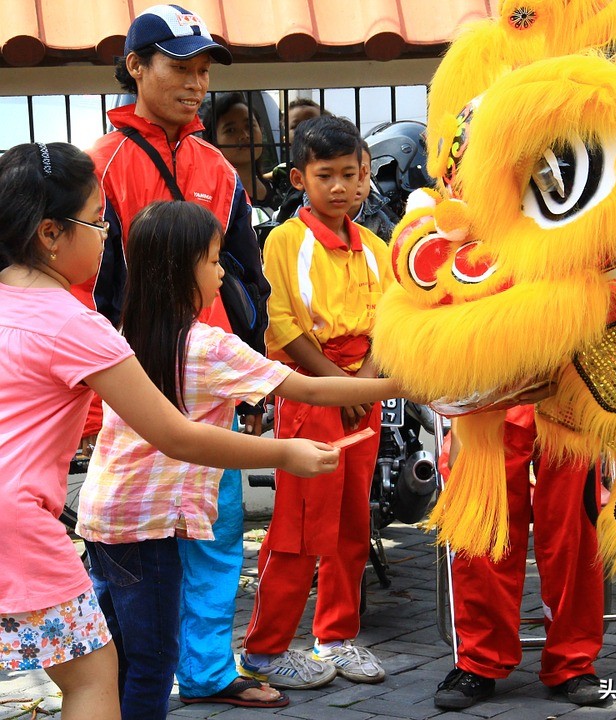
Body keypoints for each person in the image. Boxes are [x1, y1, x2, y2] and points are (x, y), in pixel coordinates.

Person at [0, 142, 338, 720]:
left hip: (66, 519)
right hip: (21, 524)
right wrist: (284, 452)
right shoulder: (78, 325)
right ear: (51, 234)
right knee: (94, 678)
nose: (106, 235)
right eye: (97, 221)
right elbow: (175, 436)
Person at [75, 200, 403, 719]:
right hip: (152, 529)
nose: (223, 271)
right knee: (153, 664)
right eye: (212, 260)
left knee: (115, 656)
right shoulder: (208, 346)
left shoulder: (126, 335)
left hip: (104, 520)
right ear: (183, 272)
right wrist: (415, 382)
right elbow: (311, 390)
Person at [69, 3, 276, 709]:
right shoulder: (100, 164)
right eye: (179, 67)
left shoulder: (217, 165)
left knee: (216, 536)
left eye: (202, 70)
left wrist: (254, 381)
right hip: (133, 394)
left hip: (209, 382)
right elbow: (85, 293)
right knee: (133, 555)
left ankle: (210, 672)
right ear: (135, 67)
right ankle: (123, 684)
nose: (195, 83)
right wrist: (97, 399)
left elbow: (248, 275)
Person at [240, 115, 393, 689]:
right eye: (324, 175)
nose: (338, 187)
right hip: (311, 390)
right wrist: (340, 383)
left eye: (349, 174)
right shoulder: (285, 239)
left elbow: (393, 322)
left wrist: (368, 381)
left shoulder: (377, 247)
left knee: (355, 521)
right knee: (301, 527)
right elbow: (280, 323)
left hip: (365, 391)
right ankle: (265, 647)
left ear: (365, 177)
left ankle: (338, 635)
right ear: (300, 179)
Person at [433, 405, 605, 710]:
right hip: (492, 393)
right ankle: (479, 660)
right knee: (484, 528)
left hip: (569, 395)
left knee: (572, 534)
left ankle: (573, 660)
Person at [200, 92, 281, 238]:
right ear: (213, 141)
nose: (244, 135)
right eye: (230, 130)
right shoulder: (210, 198)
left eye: (249, 126)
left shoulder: (281, 190)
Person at [349, 141, 398, 242]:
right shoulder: (310, 221)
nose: (358, 182)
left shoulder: (377, 217)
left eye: (363, 173)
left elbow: (397, 244)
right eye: (348, 175)